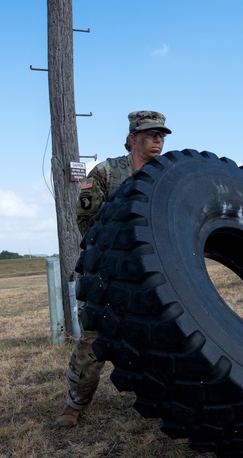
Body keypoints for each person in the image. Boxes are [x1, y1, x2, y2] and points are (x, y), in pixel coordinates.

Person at [55, 110, 172, 428]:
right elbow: (85, 220)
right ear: (133, 138)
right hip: (108, 272)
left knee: (166, 335)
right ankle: (74, 405)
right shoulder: (108, 171)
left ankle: (167, 400)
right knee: (94, 340)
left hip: (153, 272)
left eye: (161, 134)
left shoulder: (168, 173)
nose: (157, 140)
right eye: (150, 134)